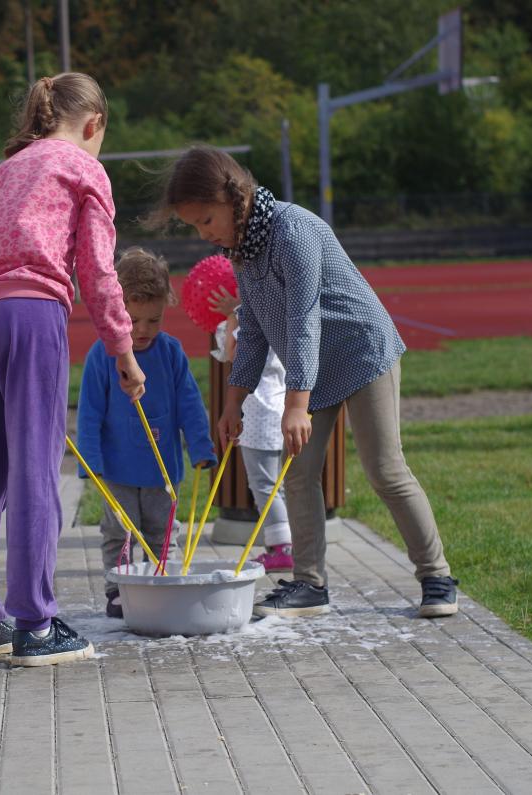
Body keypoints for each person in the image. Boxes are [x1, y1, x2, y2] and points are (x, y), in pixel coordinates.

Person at [158, 145, 459, 619]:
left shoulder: (293, 230)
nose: (204, 234)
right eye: (195, 225)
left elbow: (303, 320)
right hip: (313, 368)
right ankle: (309, 584)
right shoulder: (241, 249)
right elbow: (254, 326)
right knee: (298, 473)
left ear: (231, 198)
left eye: (206, 220)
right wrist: (234, 401)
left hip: (361, 353)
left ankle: (437, 576)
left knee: (385, 469)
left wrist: (295, 405)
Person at [0, 73, 146, 666]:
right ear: (94, 125)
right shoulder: (85, 168)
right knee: (34, 466)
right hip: (30, 312)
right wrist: (124, 350)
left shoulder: (0, 172)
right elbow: (98, 271)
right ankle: (35, 624)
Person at [76, 247, 216, 618]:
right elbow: (88, 412)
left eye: (153, 320)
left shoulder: (171, 352)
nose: (141, 330)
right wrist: (89, 463)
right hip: (117, 471)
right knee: (119, 533)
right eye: (132, 319)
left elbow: (190, 403)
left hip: (162, 471)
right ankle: (118, 590)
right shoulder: (102, 355)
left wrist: (201, 446)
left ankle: (161, 584)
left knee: (163, 533)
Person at [208, 286, 293, 574]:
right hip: (278, 409)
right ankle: (283, 545)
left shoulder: (253, 323)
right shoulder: (280, 320)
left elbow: (232, 353)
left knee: (264, 485)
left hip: (259, 414)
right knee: (275, 484)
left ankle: (282, 549)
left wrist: (234, 314)